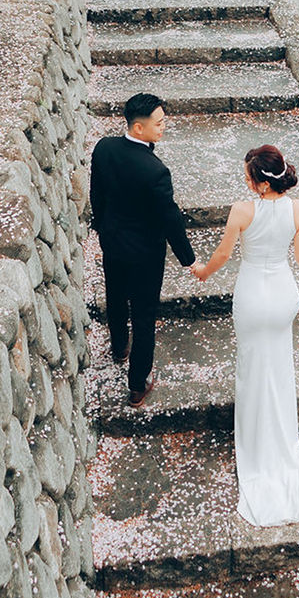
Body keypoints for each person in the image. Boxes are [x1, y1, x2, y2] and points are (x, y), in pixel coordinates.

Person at [192, 144, 299, 526]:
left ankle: (256, 447)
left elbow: (224, 256)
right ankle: (281, 442)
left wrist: (204, 273)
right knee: (280, 369)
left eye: (247, 178)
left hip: (254, 298)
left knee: (252, 371)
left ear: (260, 184)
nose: (245, 182)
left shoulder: (243, 210)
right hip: (284, 297)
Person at [89, 93, 196, 408]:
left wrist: (103, 228)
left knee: (116, 296)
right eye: (159, 123)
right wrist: (187, 258)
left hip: (113, 243)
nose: (164, 127)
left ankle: (119, 346)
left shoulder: (104, 148)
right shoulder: (155, 171)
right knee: (145, 315)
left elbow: (97, 195)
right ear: (138, 127)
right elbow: (170, 219)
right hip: (146, 255)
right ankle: (138, 385)